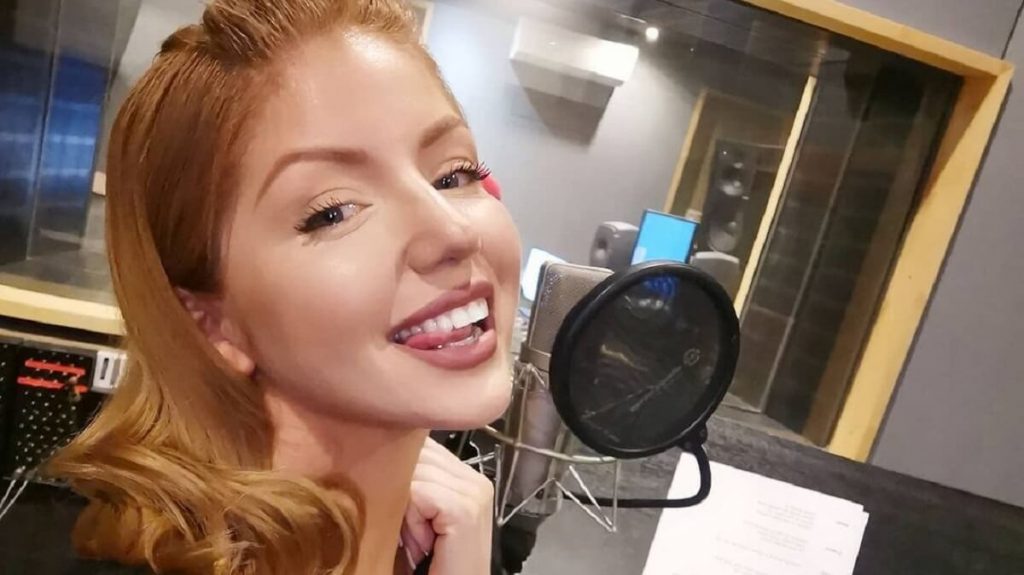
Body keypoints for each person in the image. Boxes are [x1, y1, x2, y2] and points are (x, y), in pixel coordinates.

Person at [47, 0, 522, 573]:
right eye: (333, 212)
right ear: (208, 319)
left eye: (453, 175)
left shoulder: (460, 537)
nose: (453, 232)